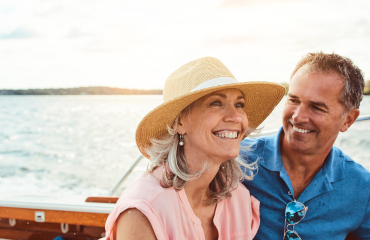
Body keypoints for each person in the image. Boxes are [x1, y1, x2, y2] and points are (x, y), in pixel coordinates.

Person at [104, 57, 285, 240]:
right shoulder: (144, 210)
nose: (235, 117)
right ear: (180, 122)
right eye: (216, 103)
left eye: (239, 104)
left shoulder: (239, 199)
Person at [241, 52, 370, 240]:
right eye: (293, 100)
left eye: (317, 107)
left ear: (348, 120)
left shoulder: (361, 187)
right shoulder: (237, 160)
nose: (298, 117)